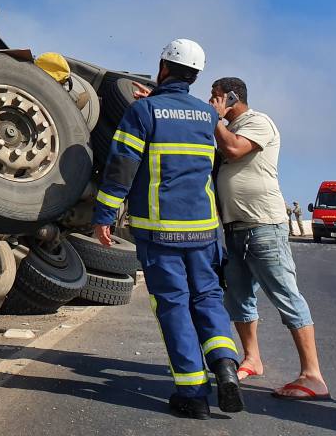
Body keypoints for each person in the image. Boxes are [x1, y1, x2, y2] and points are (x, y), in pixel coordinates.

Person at [93, 39, 243, 419]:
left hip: (161, 233)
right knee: (208, 298)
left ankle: (193, 393)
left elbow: (121, 167)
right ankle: (225, 363)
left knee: (174, 306)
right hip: (204, 232)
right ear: (195, 75)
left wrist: (104, 215)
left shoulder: (143, 111)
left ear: (163, 67)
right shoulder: (207, 117)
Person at [210, 77, 330, 401]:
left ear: (232, 97)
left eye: (216, 96)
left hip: (264, 227)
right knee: (238, 298)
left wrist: (214, 120)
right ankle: (253, 358)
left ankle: (312, 375)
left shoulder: (258, 122)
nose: (212, 101)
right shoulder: (224, 129)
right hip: (235, 229)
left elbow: (235, 150)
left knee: (286, 296)